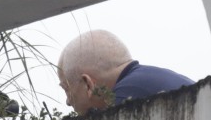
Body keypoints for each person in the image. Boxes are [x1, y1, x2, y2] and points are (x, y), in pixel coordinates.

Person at [57, 30, 194, 115]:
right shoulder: (148, 79)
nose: (68, 102)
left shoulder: (126, 98)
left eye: (67, 90)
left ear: (88, 84)